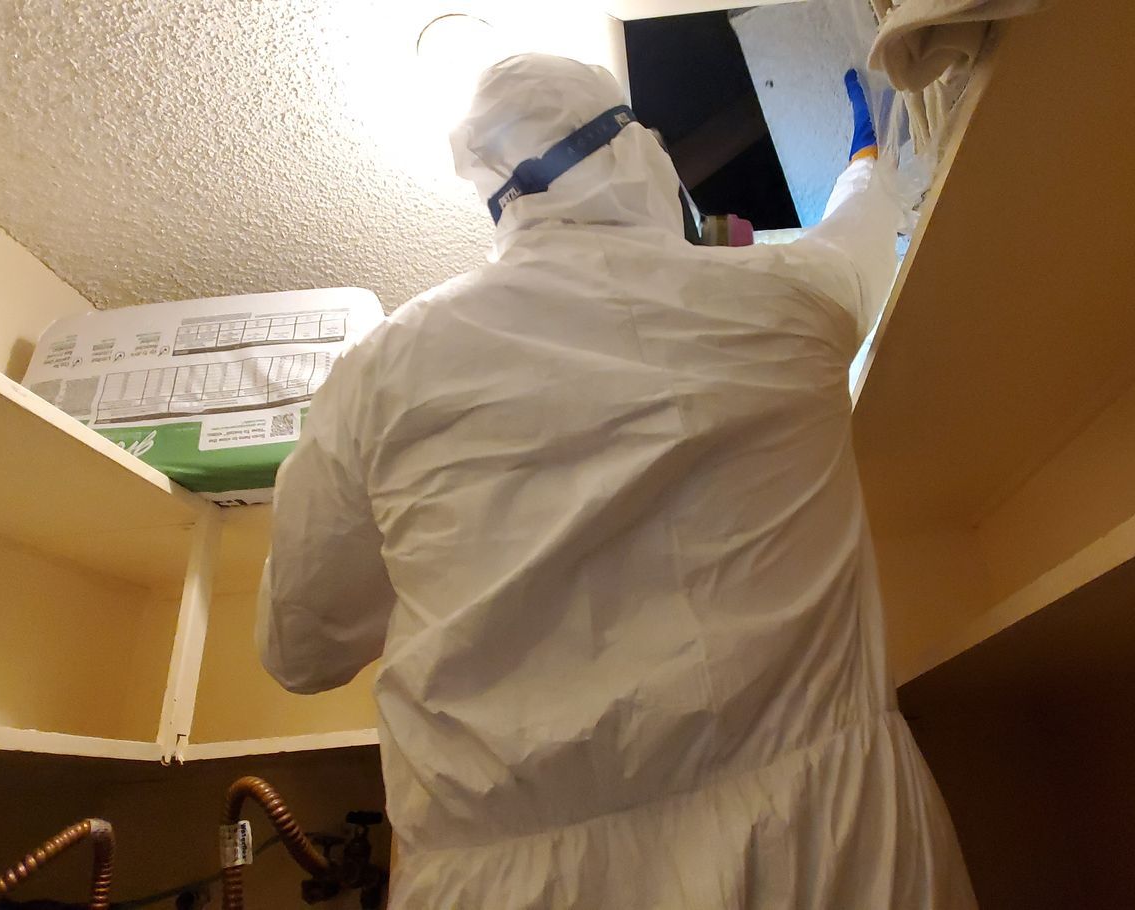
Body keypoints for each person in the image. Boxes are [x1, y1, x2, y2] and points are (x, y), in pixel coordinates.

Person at [258, 53, 976, 908]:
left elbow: (299, 653)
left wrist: (435, 557)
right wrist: (864, 162)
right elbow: (859, 246)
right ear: (639, 152)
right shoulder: (788, 299)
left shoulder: (380, 371)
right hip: (828, 850)